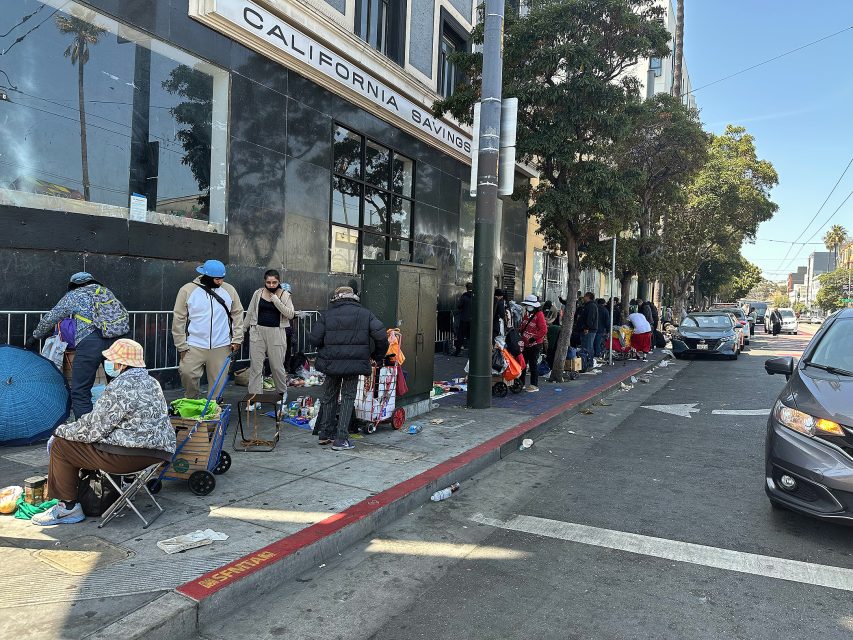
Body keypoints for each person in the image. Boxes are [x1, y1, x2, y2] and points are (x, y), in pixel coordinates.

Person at [32, 339, 175, 526]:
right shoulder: (152, 382)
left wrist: (61, 431)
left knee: (61, 446)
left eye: (112, 360)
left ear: (122, 364)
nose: (108, 363)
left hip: (130, 457)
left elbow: (93, 430)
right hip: (158, 454)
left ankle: (67, 508)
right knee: (80, 440)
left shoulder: (120, 386)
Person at [25, 272, 129, 419]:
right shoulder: (106, 292)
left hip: (91, 342)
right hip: (118, 341)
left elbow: (51, 317)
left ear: (73, 285)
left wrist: (35, 336)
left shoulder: (74, 295)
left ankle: (85, 434)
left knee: (80, 390)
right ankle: (120, 424)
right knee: (119, 385)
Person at [309, 287, 387, 451]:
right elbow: (381, 337)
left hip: (331, 363)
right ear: (354, 298)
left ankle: (325, 434)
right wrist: (376, 356)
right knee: (348, 397)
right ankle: (341, 439)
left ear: (336, 298)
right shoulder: (365, 314)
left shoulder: (327, 315)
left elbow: (315, 340)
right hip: (354, 364)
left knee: (329, 396)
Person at [172, 259, 244, 400]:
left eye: (222, 279)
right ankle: (191, 401)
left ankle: (213, 405)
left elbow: (238, 314)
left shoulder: (229, 290)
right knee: (187, 372)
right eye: (217, 279)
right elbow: (179, 318)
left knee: (218, 381)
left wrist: (237, 338)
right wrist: (181, 346)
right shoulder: (187, 290)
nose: (220, 282)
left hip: (222, 345)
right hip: (194, 344)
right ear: (206, 276)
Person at [244, 270, 295, 407]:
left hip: (277, 333)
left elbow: (290, 314)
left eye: (274, 282)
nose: (271, 285)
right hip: (257, 331)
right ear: (264, 281)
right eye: (268, 282)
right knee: (256, 367)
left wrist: (276, 300)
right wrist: (242, 330)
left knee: (277, 366)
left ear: (279, 282)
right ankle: (255, 398)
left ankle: (281, 393)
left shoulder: (285, 295)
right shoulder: (258, 293)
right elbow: (249, 312)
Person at [518, 295, 547, 392]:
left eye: (529, 305)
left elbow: (543, 330)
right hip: (525, 344)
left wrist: (533, 338)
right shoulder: (527, 314)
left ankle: (534, 385)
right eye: (526, 305)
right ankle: (521, 384)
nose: (527, 307)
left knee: (533, 364)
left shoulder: (539, 315)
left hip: (535, 344)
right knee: (523, 364)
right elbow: (523, 325)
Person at [576, 292, 599, 357]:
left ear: (588, 297)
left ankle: (589, 362)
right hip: (587, 329)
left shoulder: (591, 306)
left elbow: (590, 318)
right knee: (585, 347)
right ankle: (586, 362)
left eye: (585, 296)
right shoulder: (588, 305)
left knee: (588, 347)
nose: (583, 298)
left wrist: (587, 328)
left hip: (588, 330)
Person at [454, 283, 473, 356]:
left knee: (461, 335)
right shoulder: (476, 297)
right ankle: (471, 352)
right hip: (472, 320)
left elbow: (459, 306)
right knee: (471, 336)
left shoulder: (464, 296)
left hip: (464, 319)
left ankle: (458, 351)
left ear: (466, 288)